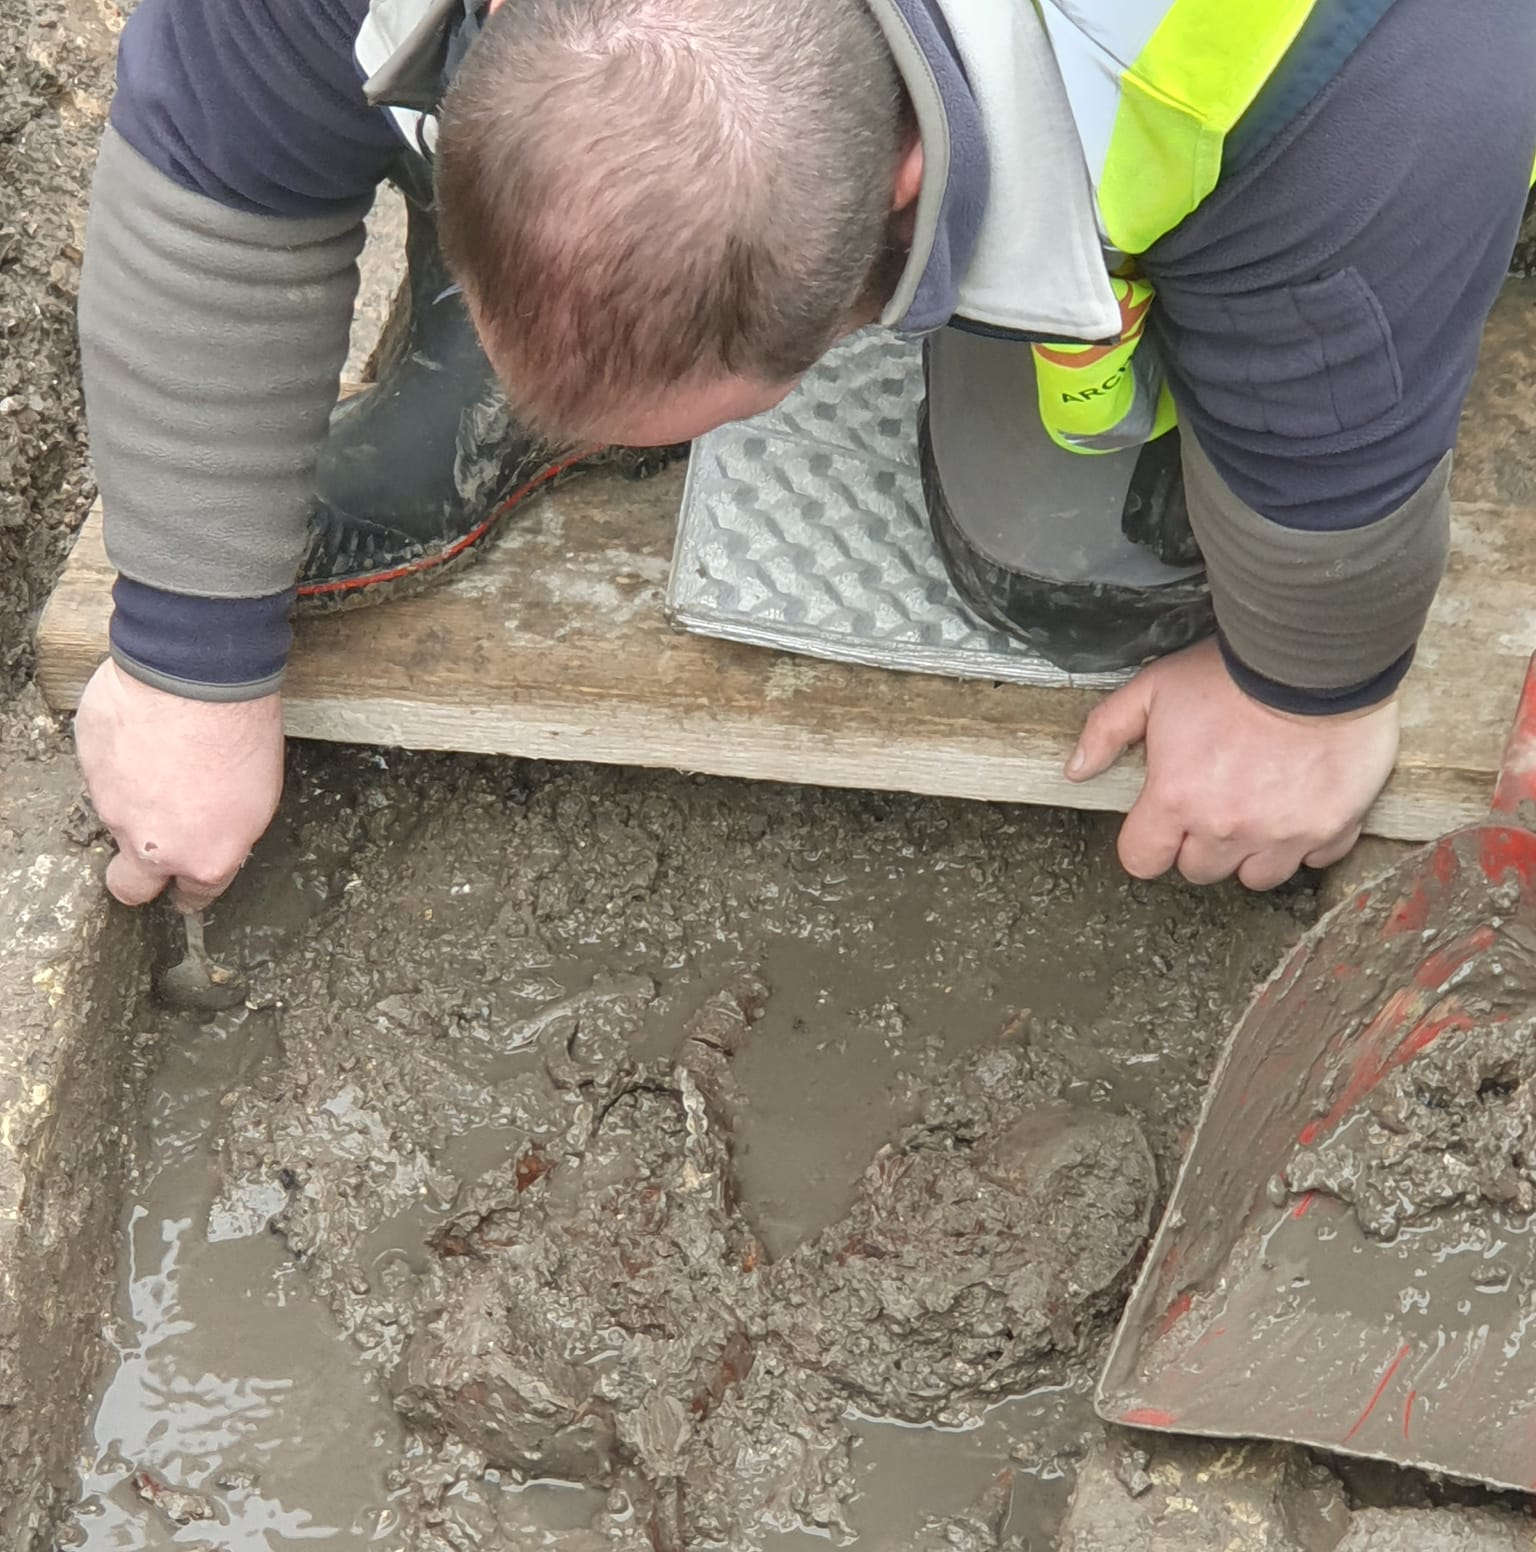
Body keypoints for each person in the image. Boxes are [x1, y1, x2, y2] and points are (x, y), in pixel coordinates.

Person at [74, 0, 1536, 907]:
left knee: (1068, 566)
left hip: (1378, 82)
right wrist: (186, 652)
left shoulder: (1340, 86)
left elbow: (1335, 464)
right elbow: (214, 173)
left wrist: (1303, 701)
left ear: (905, 190)